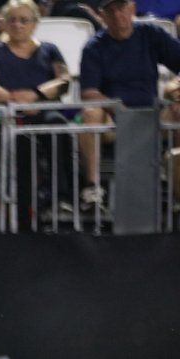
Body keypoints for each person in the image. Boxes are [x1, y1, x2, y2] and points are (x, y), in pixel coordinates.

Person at [0, 0, 72, 227]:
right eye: (12, 20)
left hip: (42, 111)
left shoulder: (49, 49)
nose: (18, 25)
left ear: (35, 24)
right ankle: (14, 206)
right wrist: (12, 98)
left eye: (24, 20)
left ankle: (61, 196)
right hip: (7, 114)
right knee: (15, 139)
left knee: (57, 124)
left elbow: (64, 80)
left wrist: (36, 95)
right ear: (5, 24)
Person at [78, 0, 180, 210]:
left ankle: (177, 186)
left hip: (154, 117)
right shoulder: (94, 47)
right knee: (90, 113)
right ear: (102, 16)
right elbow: (89, 93)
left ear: (132, 8)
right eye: (111, 10)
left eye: (122, 7)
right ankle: (92, 187)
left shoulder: (151, 33)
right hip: (114, 120)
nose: (117, 15)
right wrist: (115, 107)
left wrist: (175, 87)